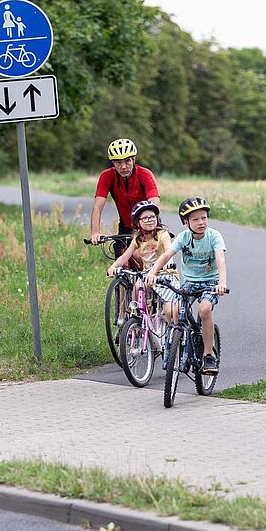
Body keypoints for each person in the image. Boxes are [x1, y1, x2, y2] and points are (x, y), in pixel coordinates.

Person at [146, 196, 227, 375]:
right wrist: (153, 272)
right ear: (186, 222)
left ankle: (207, 355)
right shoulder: (183, 237)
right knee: (172, 311)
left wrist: (221, 283)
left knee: (204, 310)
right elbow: (167, 255)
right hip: (190, 282)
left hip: (211, 282)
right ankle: (178, 342)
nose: (201, 222)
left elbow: (220, 259)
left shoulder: (214, 236)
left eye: (204, 218)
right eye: (195, 219)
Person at [107, 201, 179, 324]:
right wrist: (113, 266)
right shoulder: (138, 239)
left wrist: (169, 262)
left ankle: (175, 334)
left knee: (170, 311)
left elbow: (169, 251)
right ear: (137, 222)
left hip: (165, 273)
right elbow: (125, 256)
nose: (150, 220)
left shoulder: (163, 234)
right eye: (145, 218)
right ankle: (139, 319)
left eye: (152, 217)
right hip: (148, 274)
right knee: (137, 288)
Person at [90, 139, 160, 260]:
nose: (123, 167)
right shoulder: (107, 176)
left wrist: (150, 225)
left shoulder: (144, 174)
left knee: (144, 260)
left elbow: (154, 202)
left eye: (127, 161)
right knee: (119, 264)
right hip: (126, 226)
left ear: (134, 159)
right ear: (112, 162)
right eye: (118, 162)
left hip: (149, 223)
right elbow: (97, 207)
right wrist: (95, 232)